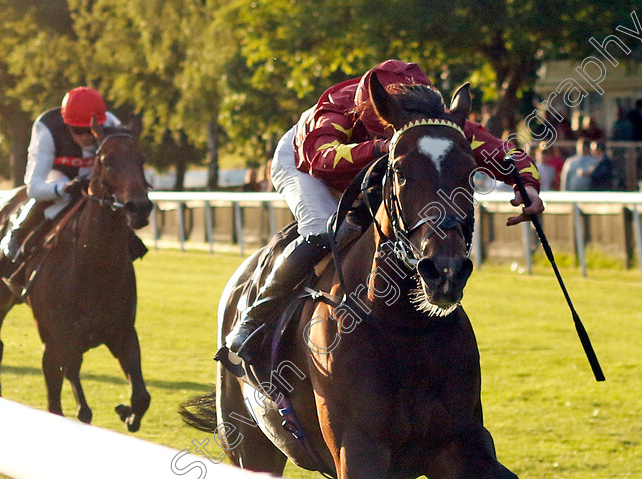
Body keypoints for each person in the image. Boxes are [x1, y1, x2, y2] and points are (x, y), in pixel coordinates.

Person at [224, 59, 545, 362]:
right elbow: (322, 159)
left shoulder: (431, 119)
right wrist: (383, 146)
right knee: (323, 229)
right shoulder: (338, 109)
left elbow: (497, 150)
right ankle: (255, 318)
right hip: (304, 162)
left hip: (382, 161)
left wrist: (527, 184)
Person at [2, 86, 122, 263]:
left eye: (91, 130)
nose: (86, 137)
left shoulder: (112, 125)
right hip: (58, 178)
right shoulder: (47, 128)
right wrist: (63, 188)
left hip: (97, 181)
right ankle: (18, 233)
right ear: (67, 125)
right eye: (78, 130)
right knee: (62, 196)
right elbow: (34, 188)